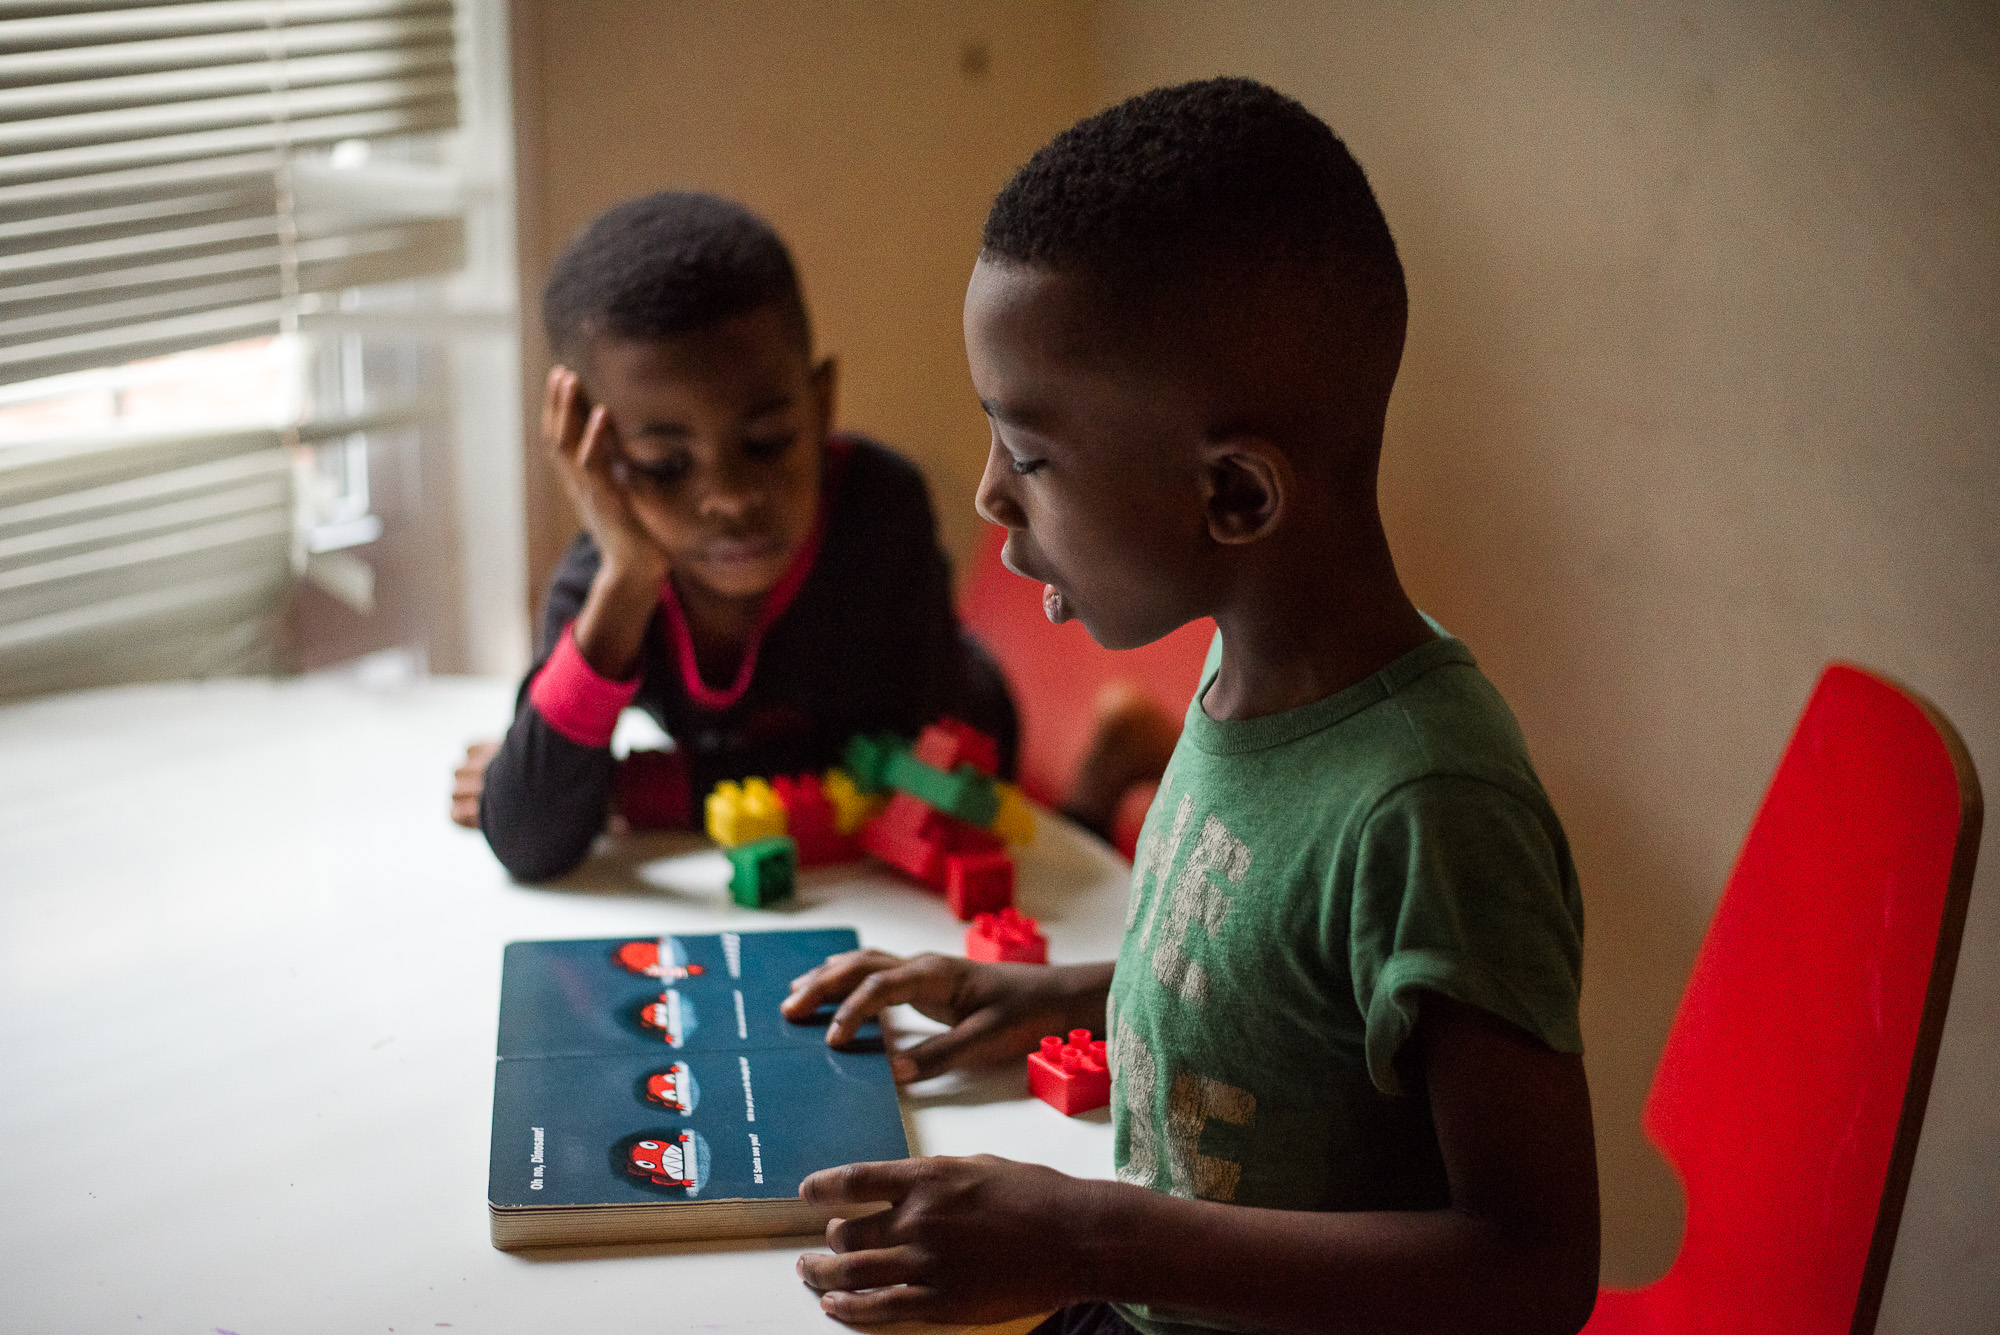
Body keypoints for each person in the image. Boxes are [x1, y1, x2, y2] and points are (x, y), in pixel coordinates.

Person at [779, 78, 1599, 1335]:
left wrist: (1084, 1235)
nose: (993, 495)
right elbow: (1289, 992)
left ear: (1233, 499)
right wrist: (1059, 996)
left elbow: (1530, 1269)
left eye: (1032, 454)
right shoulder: (1246, 685)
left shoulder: (1431, 807)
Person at [465, 192, 1018, 881]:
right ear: (593, 458)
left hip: (977, 731)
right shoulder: (603, 582)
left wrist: (649, 785)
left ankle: (1103, 760)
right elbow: (527, 836)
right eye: (666, 465)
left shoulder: (879, 513)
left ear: (820, 406)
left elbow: (886, 762)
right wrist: (628, 582)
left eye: (767, 440)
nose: (728, 497)